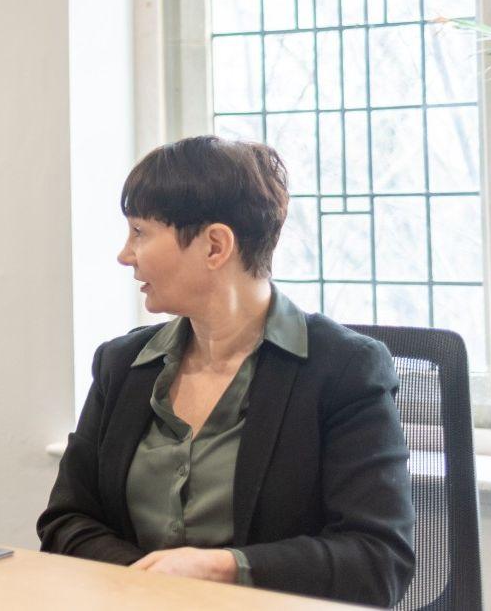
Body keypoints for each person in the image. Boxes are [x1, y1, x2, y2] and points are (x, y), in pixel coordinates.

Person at [38, 135, 414, 606]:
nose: (124, 254)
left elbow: (378, 560)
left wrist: (224, 569)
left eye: (140, 232)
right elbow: (65, 522)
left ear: (215, 245)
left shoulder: (344, 370)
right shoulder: (122, 366)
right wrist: (150, 582)